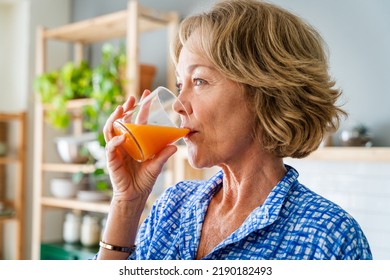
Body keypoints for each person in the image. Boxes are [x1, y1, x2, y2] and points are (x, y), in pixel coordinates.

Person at [96, 0, 372, 260]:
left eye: (200, 80)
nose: (178, 105)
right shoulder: (172, 206)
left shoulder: (331, 239)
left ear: (266, 92)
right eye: (181, 85)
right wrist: (127, 203)